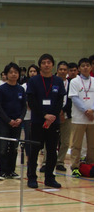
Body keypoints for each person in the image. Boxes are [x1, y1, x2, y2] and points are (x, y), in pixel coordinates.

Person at [25, 53, 65, 189]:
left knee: (52, 150)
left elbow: (60, 100)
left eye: (49, 62)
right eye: (44, 62)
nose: (46, 65)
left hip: (53, 122)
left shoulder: (58, 81)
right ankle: (32, 177)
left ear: (52, 65)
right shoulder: (34, 81)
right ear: (40, 65)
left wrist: (52, 116)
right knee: (34, 150)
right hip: (38, 121)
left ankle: (49, 177)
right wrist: (44, 116)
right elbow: (32, 101)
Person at [0, 62, 27, 180]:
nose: (13, 74)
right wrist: (8, 120)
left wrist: (20, 119)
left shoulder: (21, 89)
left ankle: (11, 171)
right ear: (6, 74)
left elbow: (24, 106)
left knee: (14, 147)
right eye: (11, 72)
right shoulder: (1, 89)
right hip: (5, 123)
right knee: (3, 147)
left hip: (17, 123)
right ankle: (2, 171)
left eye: (16, 72)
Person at [40, 61, 72, 172]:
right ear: (57, 70)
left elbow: (71, 99)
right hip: (52, 116)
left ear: (67, 71)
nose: (63, 71)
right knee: (48, 140)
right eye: (61, 69)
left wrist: (63, 111)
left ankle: (60, 162)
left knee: (65, 141)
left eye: (65, 69)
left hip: (67, 116)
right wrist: (56, 112)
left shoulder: (71, 83)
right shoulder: (52, 81)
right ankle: (45, 162)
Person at [69, 57, 94, 177]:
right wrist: (86, 111)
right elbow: (74, 98)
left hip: (93, 118)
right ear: (79, 68)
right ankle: (75, 166)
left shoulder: (96, 81)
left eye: (87, 65)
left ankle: (90, 166)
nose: (85, 67)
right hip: (79, 117)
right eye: (83, 65)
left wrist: (93, 110)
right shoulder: (75, 81)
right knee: (76, 144)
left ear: (91, 67)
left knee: (92, 145)